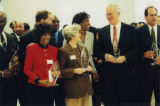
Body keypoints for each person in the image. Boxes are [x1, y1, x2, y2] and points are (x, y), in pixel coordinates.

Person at [98, 4, 137, 105]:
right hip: (108, 75)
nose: (108, 17)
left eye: (110, 14)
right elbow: (98, 51)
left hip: (126, 74)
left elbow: (136, 50)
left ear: (118, 14)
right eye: (107, 14)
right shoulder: (102, 31)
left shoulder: (130, 30)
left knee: (125, 101)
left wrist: (125, 57)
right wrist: (106, 56)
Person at [24, 22, 60, 106]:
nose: (47, 37)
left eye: (48, 34)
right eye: (44, 34)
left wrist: (56, 74)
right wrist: (39, 80)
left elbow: (55, 67)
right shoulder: (31, 48)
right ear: (39, 35)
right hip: (35, 87)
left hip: (49, 88)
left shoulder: (54, 50)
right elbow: (26, 69)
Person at [58, 24, 93, 106]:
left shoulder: (83, 48)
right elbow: (61, 71)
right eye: (77, 33)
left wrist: (89, 68)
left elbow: (87, 63)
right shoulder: (63, 50)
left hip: (85, 87)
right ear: (71, 35)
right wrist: (74, 71)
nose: (80, 34)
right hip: (73, 89)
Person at [136, 6, 160, 105]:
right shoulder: (138, 31)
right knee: (145, 100)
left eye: (155, 15)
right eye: (151, 15)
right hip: (145, 72)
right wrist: (143, 54)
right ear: (145, 17)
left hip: (159, 72)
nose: (154, 17)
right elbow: (134, 51)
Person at [0, 11, 19, 106]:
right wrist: (2, 73)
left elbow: (15, 56)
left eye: (1, 21)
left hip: (11, 85)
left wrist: (17, 64)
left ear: (6, 22)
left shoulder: (11, 38)